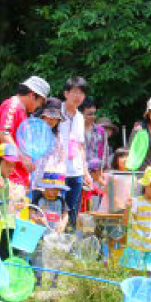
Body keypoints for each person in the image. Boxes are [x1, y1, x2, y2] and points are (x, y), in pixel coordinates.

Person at [0, 75, 50, 187]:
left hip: (18, 177)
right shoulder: (13, 105)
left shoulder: (22, 111)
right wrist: (23, 158)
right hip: (8, 177)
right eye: (41, 102)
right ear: (32, 95)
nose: (39, 106)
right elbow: (3, 133)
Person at [121, 165, 151, 278]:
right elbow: (125, 223)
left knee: (150, 272)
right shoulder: (136, 202)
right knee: (134, 272)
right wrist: (127, 209)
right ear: (145, 185)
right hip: (136, 244)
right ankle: (132, 293)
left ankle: (145, 293)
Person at [59, 77, 92, 226]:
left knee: (73, 211)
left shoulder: (80, 117)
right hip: (58, 170)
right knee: (57, 209)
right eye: (75, 92)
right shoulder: (55, 112)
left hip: (76, 171)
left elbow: (81, 146)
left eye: (81, 93)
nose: (78, 96)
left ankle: (69, 245)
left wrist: (86, 172)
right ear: (66, 93)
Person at [0, 143, 29, 259]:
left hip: (11, 225)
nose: (11, 168)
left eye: (13, 165)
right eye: (7, 164)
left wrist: (19, 204)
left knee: (11, 257)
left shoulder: (11, 183)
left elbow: (12, 206)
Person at [82, 98, 109, 171]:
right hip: (79, 173)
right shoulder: (74, 131)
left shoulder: (101, 131)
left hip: (96, 173)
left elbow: (105, 154)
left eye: (94, 114)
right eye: (90, 114)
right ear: (81, 114)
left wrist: (104, 170)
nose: (93, 116)